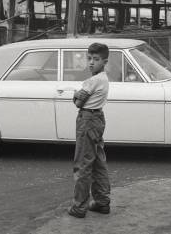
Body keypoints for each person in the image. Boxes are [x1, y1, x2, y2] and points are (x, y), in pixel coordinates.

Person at [68, 42, 111, 218]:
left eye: (96, 59)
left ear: (104, 61)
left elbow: (78, 102)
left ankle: (79, 207)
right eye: (89, 58)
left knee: (83, 164)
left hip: (87, 120)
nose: (91, 62)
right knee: (98, 162)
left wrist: (76, 95)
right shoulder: (104, 78)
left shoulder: (92, 80)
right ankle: (102, 202)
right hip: (98, 119)